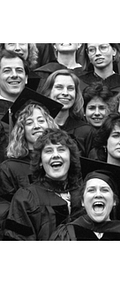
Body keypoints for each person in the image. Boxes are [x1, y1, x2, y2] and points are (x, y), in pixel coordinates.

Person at [0, 89, 62, 239]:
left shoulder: (61, 163)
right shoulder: (9, 168)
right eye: (29, 122)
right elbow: (4, 210)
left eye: (41, 120)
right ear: (21, 131)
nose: (36, 126)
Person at [4, 128, 82, 240]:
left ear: (71, 158)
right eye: (48, 151)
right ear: (40, 161)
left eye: (61, 149)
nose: (55, 155)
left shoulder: (83, 194)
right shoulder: (26, 198)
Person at [50, 167, 120, 241]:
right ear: (82, 201)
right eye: (91, 190)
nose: (98, 194)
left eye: (104, 190)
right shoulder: (67, 233)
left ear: (114, 201)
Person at [40, 69, 94, 157]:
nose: (65, 93)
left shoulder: (85, 131)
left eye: (70, 88)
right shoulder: (39, 128)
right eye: (59, 87)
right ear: (48, 92)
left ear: (76, 94)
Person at [0, 50, 29, 135]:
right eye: (7, 70)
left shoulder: (37, 111)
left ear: (26, 78)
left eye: (19, 70)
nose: (14, 75)